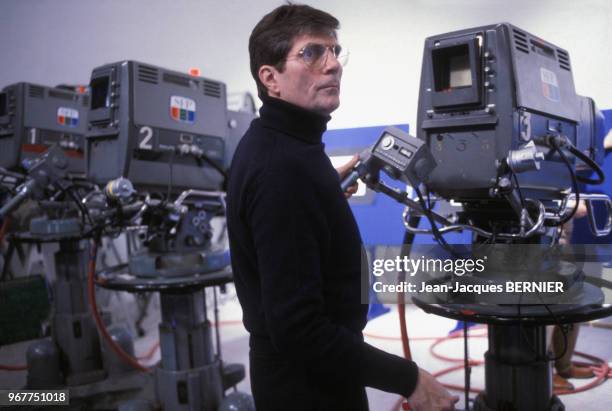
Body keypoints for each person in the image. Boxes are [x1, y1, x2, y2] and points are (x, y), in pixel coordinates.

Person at [226, 4, 458, 410]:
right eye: (312, 53)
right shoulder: (283, 169)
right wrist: (407, 379)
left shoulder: (282, 143)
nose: (332, 65)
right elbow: (299, 329)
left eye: (335, 51)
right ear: (270, 78)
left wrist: (324, 194)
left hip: (317, 372)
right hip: (305, 388)